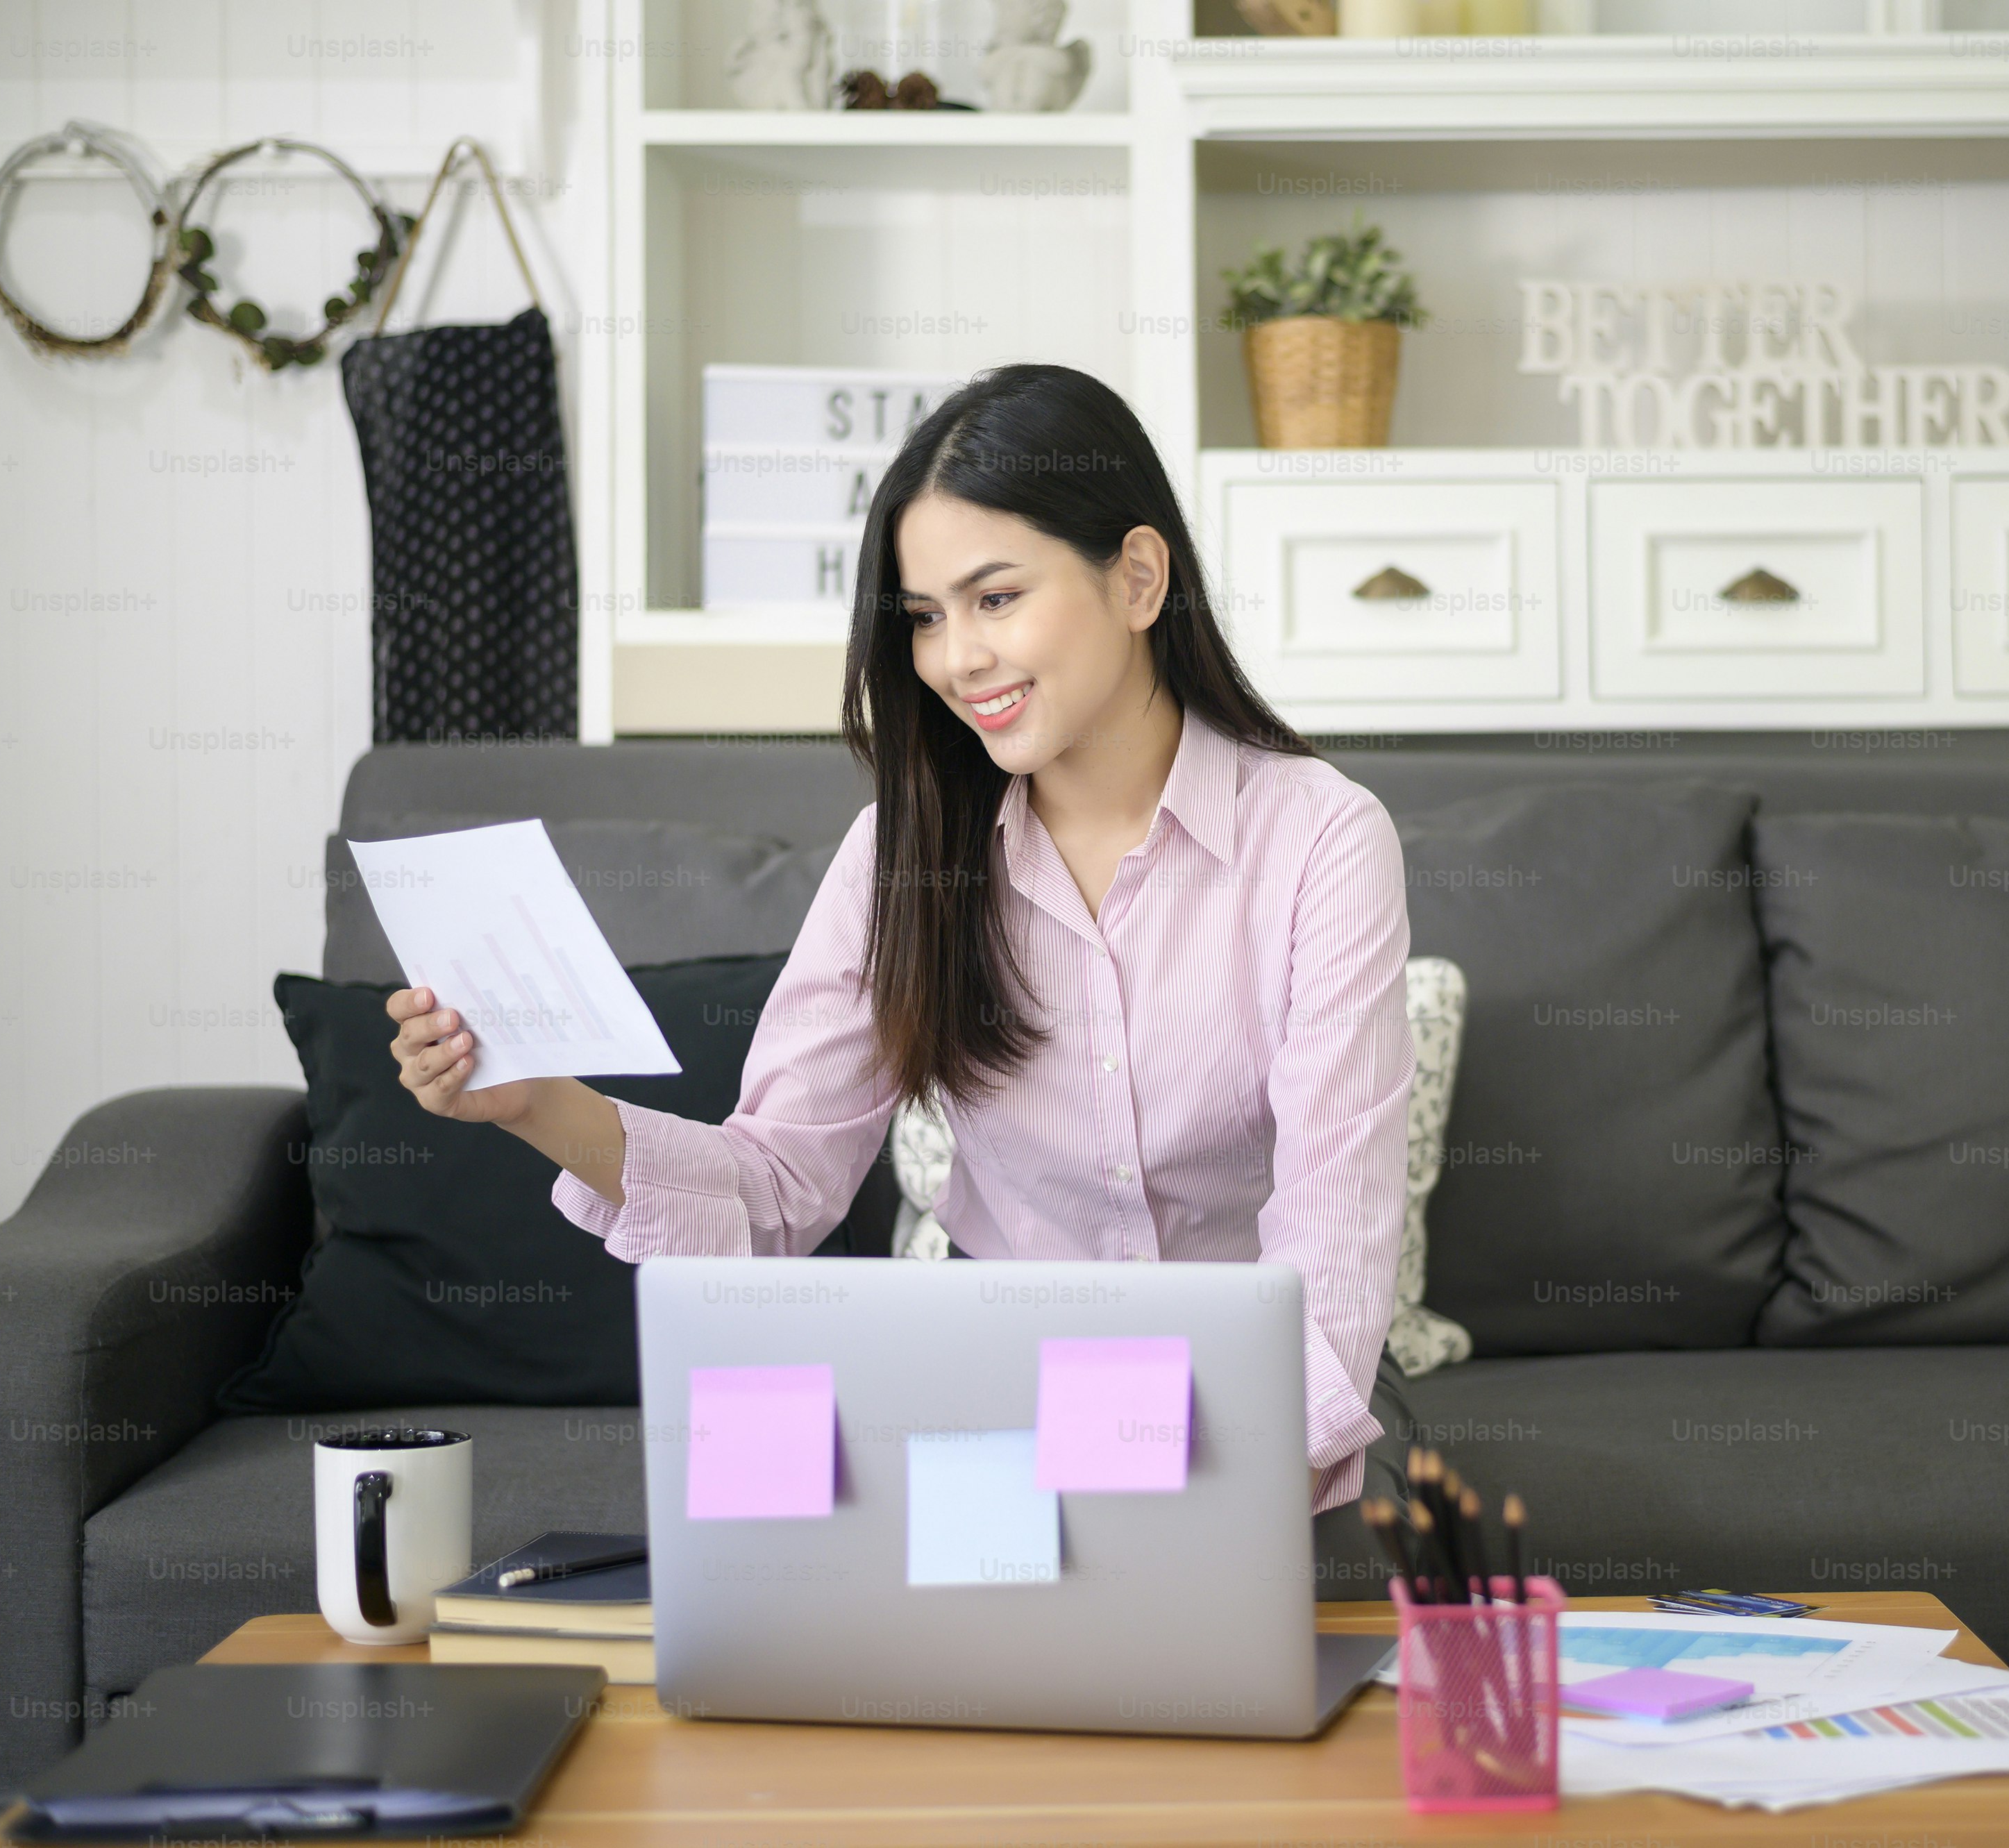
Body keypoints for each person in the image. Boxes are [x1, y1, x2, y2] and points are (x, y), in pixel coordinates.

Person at [383, 363, 1414, 1518]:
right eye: (925, 617)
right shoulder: (902, 855)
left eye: (996, 597)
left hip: (1262, 1416)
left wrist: (1193, 1503)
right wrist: (531, 1099)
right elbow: (776, 1189)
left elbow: (1332, 1245)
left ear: (1137, 577)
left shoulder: (1322, 839)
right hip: (1016, 1391)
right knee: (771, 1484)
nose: (956, 659)